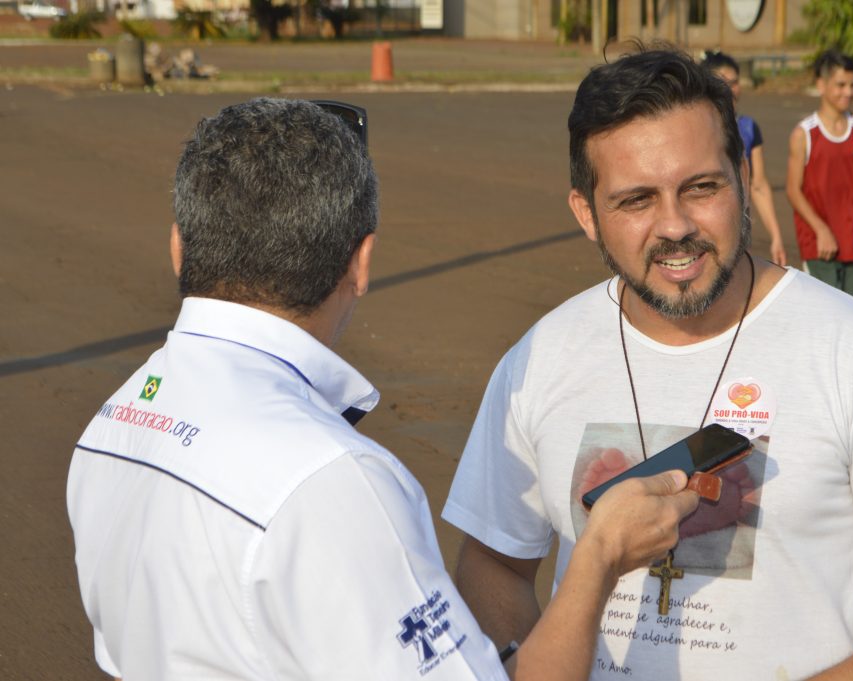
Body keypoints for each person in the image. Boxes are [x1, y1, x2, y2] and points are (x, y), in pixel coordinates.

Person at [66, 97, 701, 681]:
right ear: (360, 262)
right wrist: (600, 555)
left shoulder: (116, 418)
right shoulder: (336, 481)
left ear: (180, 248)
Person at [443, 48, 853, 680]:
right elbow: (494, 565)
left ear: (741, 177)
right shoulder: (539, 360)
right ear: (586, 215)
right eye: (636, 201)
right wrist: (524, 665)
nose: (675, 225)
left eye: (700, 187)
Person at [786, 49, 853, 301]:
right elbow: (793, 190)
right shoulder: (804, 134)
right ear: (821, 85)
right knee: (823, 321)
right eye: (840, 85)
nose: (848, 92)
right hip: (819, 247)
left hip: (852, 243)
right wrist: (820, 229)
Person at [702, 50, 787, 266]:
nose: (731, 89)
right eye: (723, 82)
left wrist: (776, 236)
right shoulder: (695, 130)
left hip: (739, 231)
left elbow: (758, 185)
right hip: (703, 229)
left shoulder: (749, 128)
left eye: (735, 82)